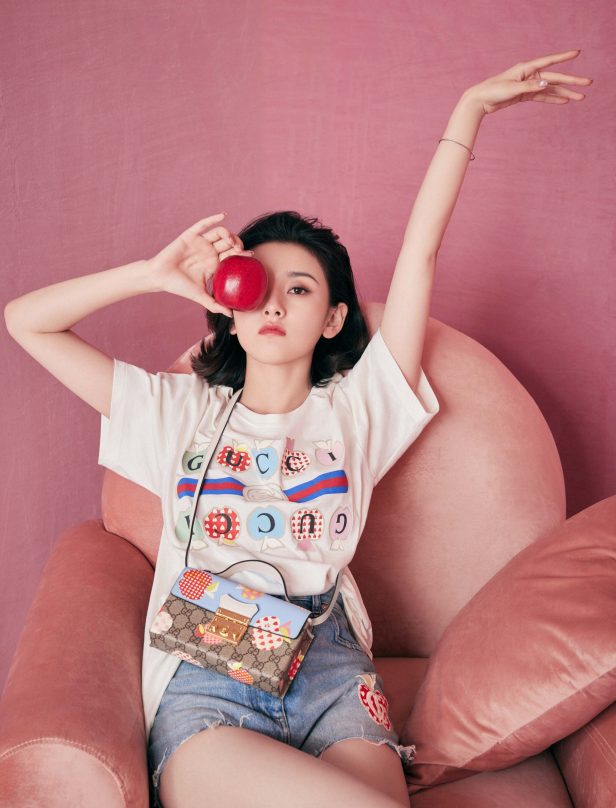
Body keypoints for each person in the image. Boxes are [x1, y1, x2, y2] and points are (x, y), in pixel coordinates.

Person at [4, 49, 590, 808]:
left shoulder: (359, 409)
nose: (275, 304)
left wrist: (468, 113)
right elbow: (26, 322)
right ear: (230, 306)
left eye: (301, 288)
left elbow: (420, 256)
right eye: (259, 286)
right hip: (207, 679)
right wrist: (150, 275)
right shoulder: (173, 410)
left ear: (334, 317)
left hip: (331, 673)